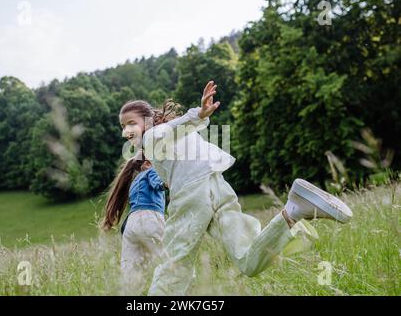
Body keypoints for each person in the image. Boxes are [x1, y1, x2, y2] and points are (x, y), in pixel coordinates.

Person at [118, 80, 353, 295]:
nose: (127, 130)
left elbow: (175, 127)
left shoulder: (154, 136)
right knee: (247, 259)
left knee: (173, 266)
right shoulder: (165, 146)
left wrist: (198, 115)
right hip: (215, 186)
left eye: (131, 123)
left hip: (191, 196)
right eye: (123, 126)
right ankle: (293, 211)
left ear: (148, 120)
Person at [102, 157, 166, 295]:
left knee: (130, 273)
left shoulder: (134, 182)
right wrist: (171, 181)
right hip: (149, 219)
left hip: (131, 225)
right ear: (148, 163)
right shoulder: (151, 171)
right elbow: (159, 184)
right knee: (168, 258)